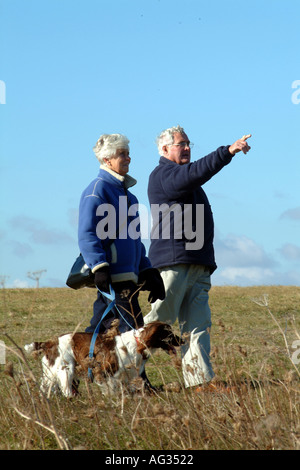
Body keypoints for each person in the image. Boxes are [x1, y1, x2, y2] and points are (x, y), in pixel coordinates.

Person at [143, 125, 251, 389]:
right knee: (155, 326)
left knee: (198, 327)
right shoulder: (163, 175)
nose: (188, 148)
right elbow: (195, 173)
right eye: (182, 144)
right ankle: (120, 372)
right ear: (165, 149)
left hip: (198, 265)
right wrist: (227, 151)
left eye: (189, 143)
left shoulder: (183, 178)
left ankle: (200, 383)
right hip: (173, 264)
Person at [78, 133, 165, 343]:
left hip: (127, 278)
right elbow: (86, 233)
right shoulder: (97, 191)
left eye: (128, 153)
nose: (128, 158)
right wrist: (99, 267)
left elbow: (135, 240)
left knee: (98, 334)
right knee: (133, 336)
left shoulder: (129, 195)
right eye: (122, 154)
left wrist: (147, 269)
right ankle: (136, 377)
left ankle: (85, 369)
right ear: (107, 160)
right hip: (114, 279)